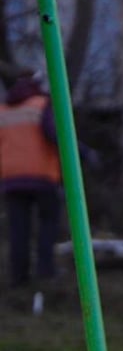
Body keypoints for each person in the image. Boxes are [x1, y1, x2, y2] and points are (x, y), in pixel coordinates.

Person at [0, 71, 63, 289]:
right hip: (42, 175)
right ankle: (45, 271)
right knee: (48, 223)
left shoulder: (4, 110)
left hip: (12, 178)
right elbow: (54, 134)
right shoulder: (41, 105)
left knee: (18, 229)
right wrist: (84, 153)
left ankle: (19, 276)